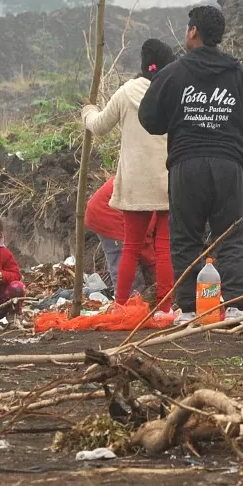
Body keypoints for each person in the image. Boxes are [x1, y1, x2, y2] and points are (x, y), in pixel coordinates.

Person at [139, 5, 243, 317]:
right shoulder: (239, 74)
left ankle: (189, 310)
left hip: (187, 166)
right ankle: (237, 307)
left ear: (193, 31)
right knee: (231, 236)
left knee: (186, 238)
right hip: (229, 166)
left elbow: (150, 119)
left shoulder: (173, 74)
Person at [82, 39, 178, 310]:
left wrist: (88, 111)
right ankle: (165, 309)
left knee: (131, 247)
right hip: (168, 182)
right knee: (164, 249)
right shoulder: (175, 93)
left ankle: (122, 307)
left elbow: (98, 126)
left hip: (135, 183)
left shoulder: (126, 92)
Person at [84, 176, 155, 298]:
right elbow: (144, 238)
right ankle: (129, 307)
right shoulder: (156, 200)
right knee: (126, 261)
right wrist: (155, 269)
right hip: (107, 213)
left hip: (111, 208)